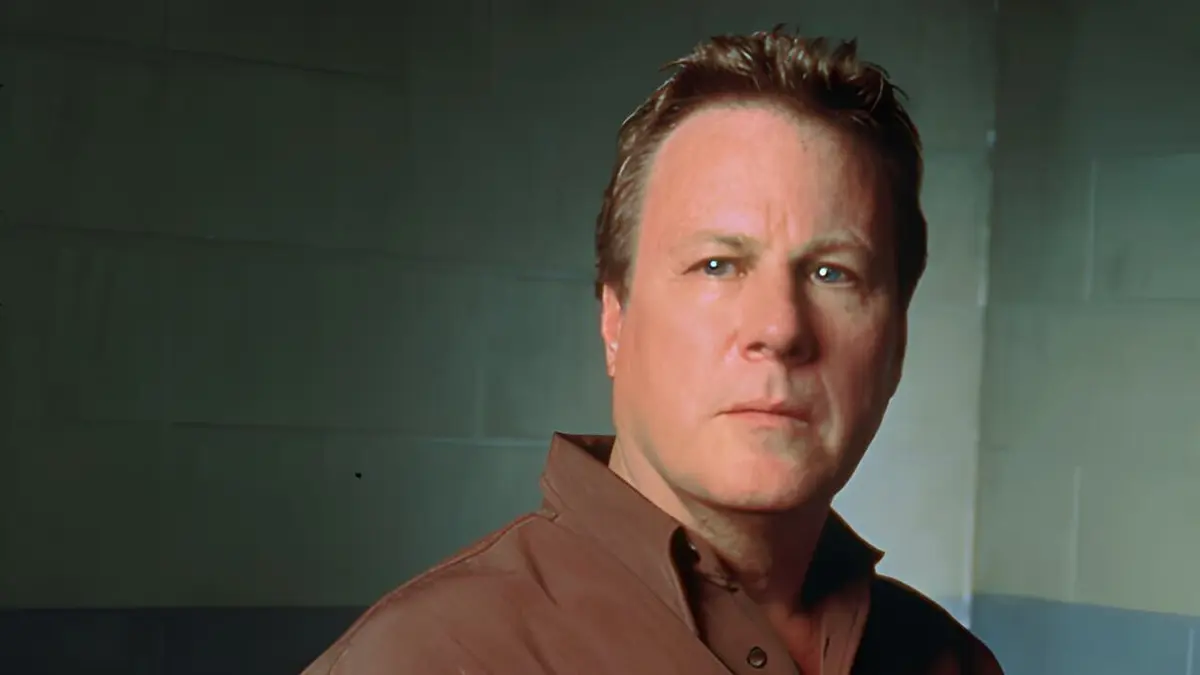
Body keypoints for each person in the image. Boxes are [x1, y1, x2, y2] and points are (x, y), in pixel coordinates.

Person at [304, 26, 1003, 675]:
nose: (780, 328)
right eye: (717, 265)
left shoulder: (952, 661)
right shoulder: (424, 659)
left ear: (896, 343)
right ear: (615, 318)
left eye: (832, 273)